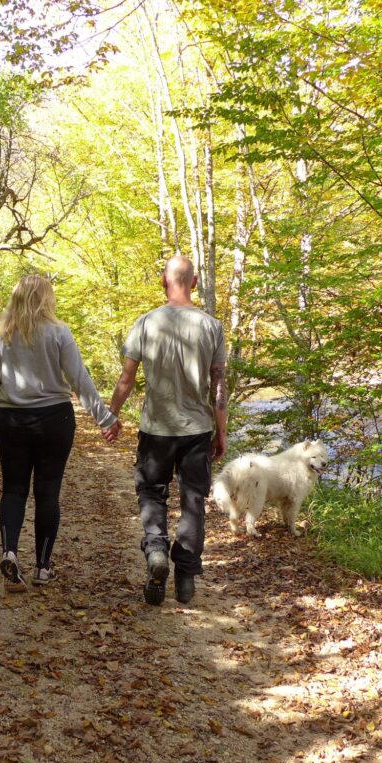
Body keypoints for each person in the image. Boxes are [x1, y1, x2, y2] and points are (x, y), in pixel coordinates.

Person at [0, 275, 121, 593]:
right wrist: (104, 418)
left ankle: (9, 552)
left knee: (13, 490)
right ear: (46, 299)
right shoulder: (59, 332)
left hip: (11, 421)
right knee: (47, 493)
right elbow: (79, 379)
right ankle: (43, 569)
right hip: (54, 421)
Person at [109, 257, 227, 605]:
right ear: (193, 283)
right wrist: (221, 431)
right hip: (197, 430)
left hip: (156, 430)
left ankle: (157, 552)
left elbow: (126, 378)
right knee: (193, 502)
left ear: (164, 281)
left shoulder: (146, 323)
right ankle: (186, 576)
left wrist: (111, 415)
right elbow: (218, 384)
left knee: (151, 493)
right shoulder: (211, 326)